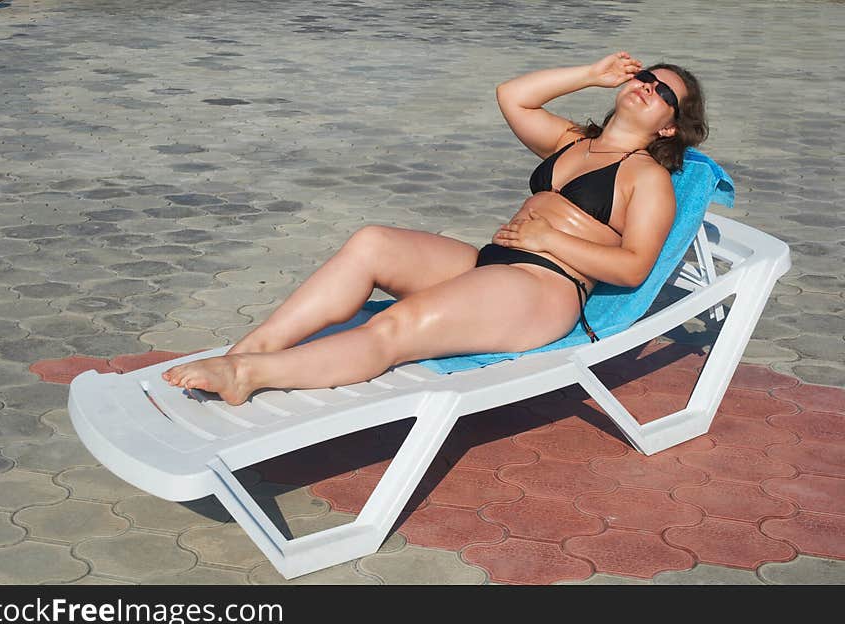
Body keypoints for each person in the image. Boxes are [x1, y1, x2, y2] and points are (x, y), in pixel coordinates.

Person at [163, 51, 708, 405]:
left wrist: (550, 241)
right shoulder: (572, 140)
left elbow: (637, 267)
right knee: (372, 242)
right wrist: (590, 74)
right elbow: (511, 94)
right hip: (493, 265)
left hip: (545, 289)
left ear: (667, 124)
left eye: (664, 94)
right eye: (646, 77)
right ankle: (250, 348)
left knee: (399, 326)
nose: (647, 87)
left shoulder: (647, 177)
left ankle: (251, 376)